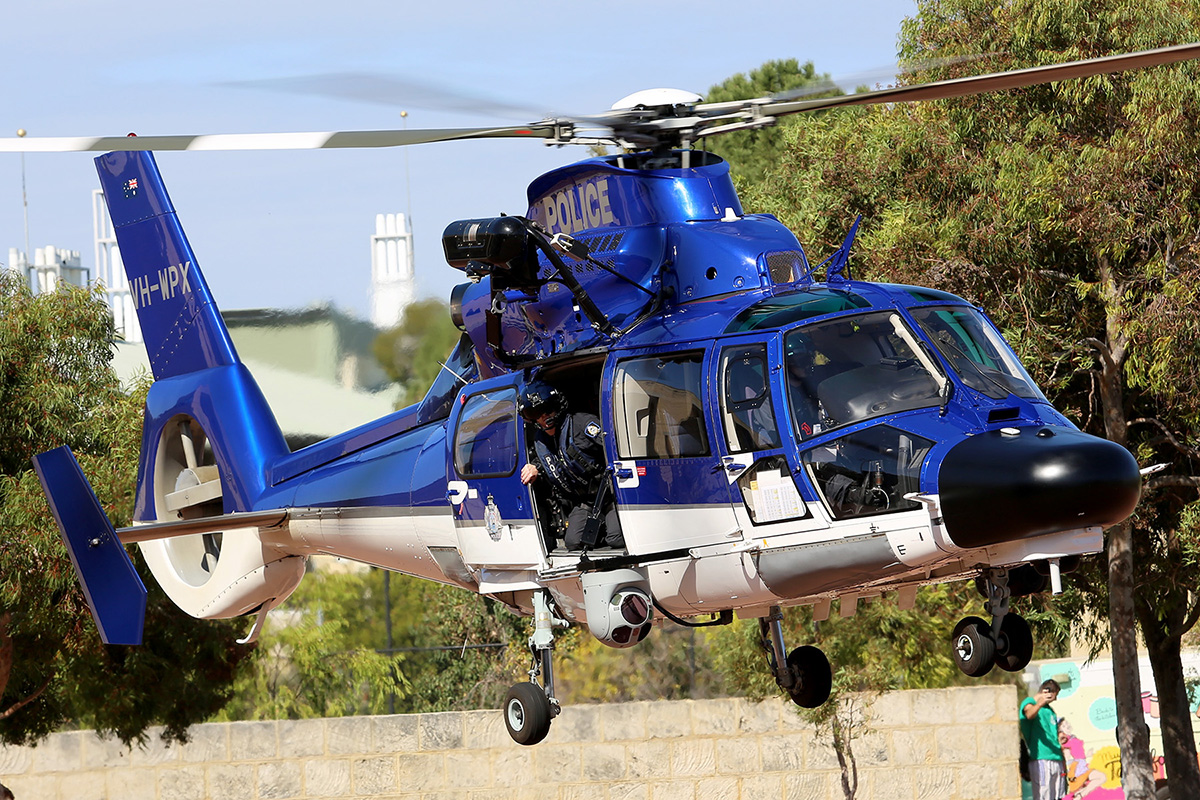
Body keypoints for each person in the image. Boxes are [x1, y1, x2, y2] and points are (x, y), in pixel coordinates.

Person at [518, 380, 623, 551]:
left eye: (548, 409)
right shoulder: (541, 442)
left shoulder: (583, 424)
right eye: (537, 413)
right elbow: (551, 462)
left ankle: (610, 525)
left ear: (557, 406)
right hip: (586, 501)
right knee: (573, 542)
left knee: (616, 538)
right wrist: (535, 467)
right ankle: (602, 525)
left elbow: (615, 446)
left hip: (611, 495)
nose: (544, 416)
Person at [1020, 679, 1067, 800]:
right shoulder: (1029, 702)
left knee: (1058, 795)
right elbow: (1029, 714)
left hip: (1056, 758)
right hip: (1041, 758)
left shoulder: (1050, 710)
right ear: (1047, 691)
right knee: (1043, 795)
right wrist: (1040, 703)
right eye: (1054, 695)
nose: (1055, 699)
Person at [1058, 717, 1106, 799]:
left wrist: (1087, 755)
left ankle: (1079, 795)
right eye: (1064, 726)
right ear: (1060, 731)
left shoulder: (1072, 738)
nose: (1067, 726)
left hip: (1082, 767)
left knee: (1100, 778)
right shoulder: (1065, 741)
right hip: (1077, 770)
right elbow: (1067, 758)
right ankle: (1079, 795)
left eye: (1067, 723)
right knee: (1101, 777)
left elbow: (1077, 755)